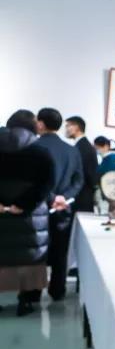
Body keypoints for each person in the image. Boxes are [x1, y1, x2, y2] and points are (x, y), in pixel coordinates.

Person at [0, 110, 55, 316]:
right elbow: (47, 184)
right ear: (34, 127)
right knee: (30, 259)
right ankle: (26, 301)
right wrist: (23, 203)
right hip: (31, 217)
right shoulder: (42, 152)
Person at [32, 108, 83, 301]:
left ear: (41, 124)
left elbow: (33, 181)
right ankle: (58, 290)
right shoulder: (72, 150)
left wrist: (50, 198)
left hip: (38, 208)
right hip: (63, 209)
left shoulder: (34, 147)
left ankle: (32, 293)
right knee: (61, 252)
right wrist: (63, 197)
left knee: (37, 252)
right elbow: (78, 180)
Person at [64, 116, 98, 213]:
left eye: (68, 126)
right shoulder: (82, 145)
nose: (66, 129)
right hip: (82, 195)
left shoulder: (83, 147)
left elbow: (85, 175)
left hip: (81, 197)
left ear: (76, 127)